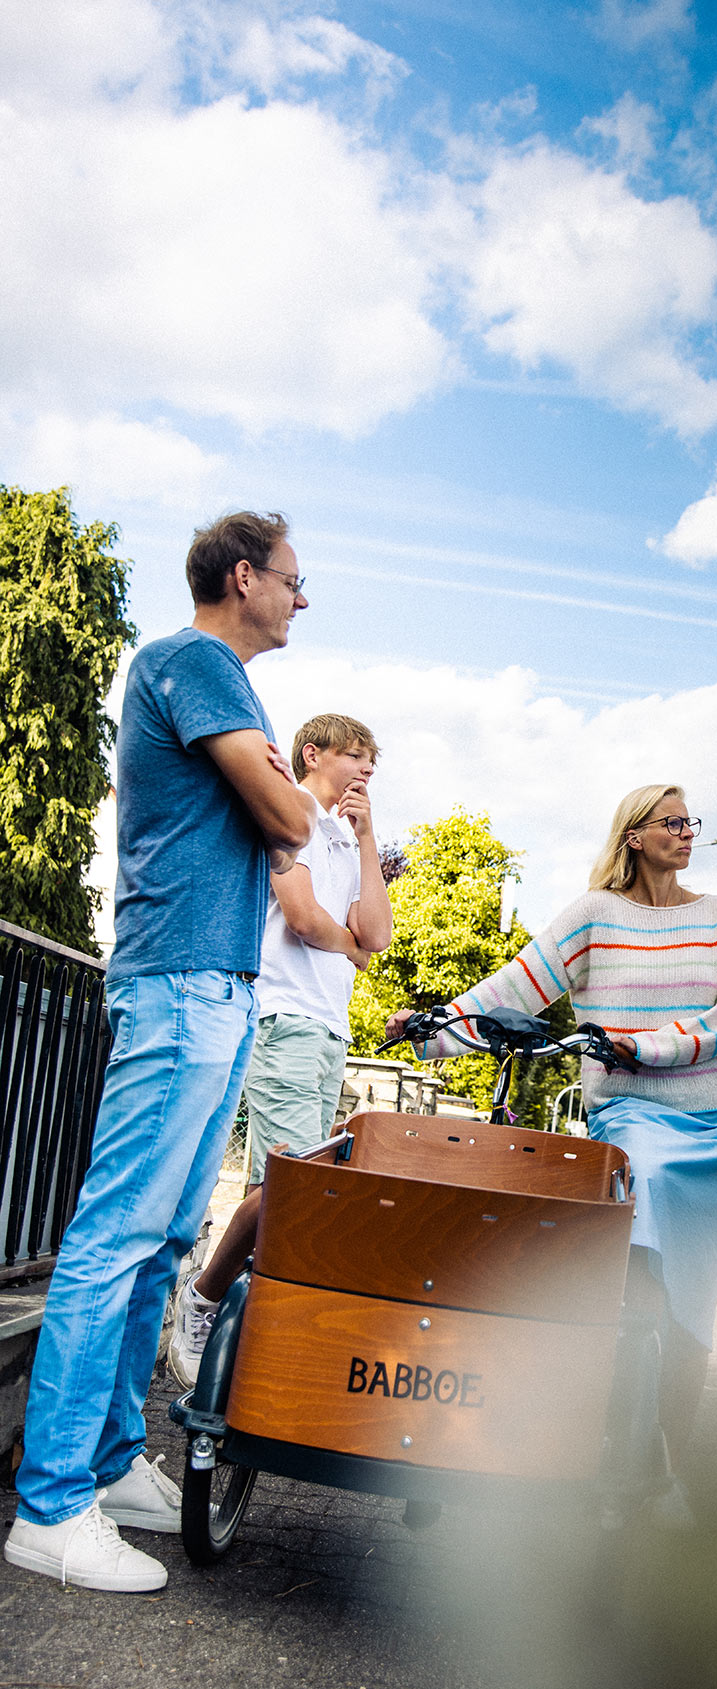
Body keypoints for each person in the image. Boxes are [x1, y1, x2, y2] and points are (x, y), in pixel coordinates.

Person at [5, 511, 316, 1593]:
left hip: (215, 988)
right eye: (291, 578)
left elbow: (282, 819)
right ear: (244, 576)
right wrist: (290, 799)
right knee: (117, 1233)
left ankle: (103, 1461)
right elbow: (287, 817)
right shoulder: (194, 659)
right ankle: (50, 1505)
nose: (301, 597)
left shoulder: (218, 677)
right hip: (183, 984)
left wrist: (286, 805)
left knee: (167, 1237)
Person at [385, 785, 717, 1502]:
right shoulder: (595, 915)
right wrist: (432, 1028)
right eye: (672, 822)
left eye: (691, 822)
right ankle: (612, 1432)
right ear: (635, 837)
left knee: (694, 1299)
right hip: (631, 1117)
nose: (687, 833)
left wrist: (643, 1046)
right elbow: (515, 988)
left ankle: (667, 1470)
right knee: (640, 1236)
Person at [169, 714, 393, 1385]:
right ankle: (205, 1296)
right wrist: (348, 945)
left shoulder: (344, 839)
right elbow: (300, 914)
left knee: (303, 1186)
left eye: (373, 762)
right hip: (285, 1015)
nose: (367, 771)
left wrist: (367, 839)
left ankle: (242, 1320)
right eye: (357, 756)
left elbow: (375, 934)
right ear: (313, 752)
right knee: (289, 1185)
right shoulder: (291, 810)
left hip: (328, 1029)